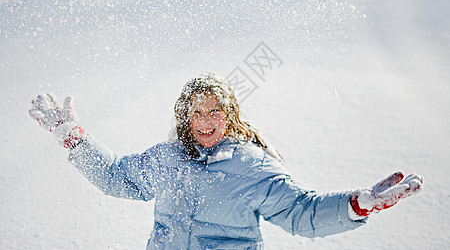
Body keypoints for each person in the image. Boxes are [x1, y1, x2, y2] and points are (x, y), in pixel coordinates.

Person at [29, 73, 424, 249]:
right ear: (184, 116)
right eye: (195, 112)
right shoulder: (167, 160)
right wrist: (74, 139)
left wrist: (355, 205)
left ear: (229, 115)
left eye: (214, 111)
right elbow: (116, 177)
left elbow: (301, 213)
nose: (204, 121)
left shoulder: (251, 168)